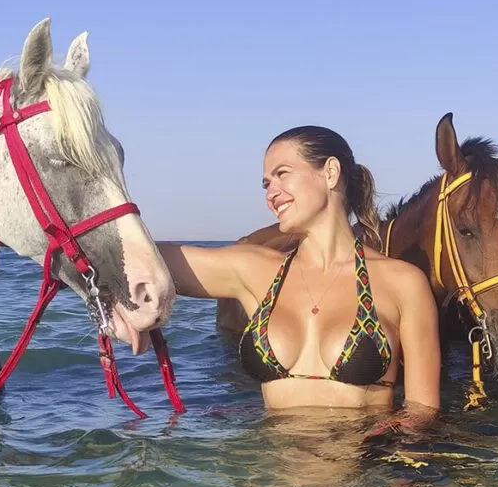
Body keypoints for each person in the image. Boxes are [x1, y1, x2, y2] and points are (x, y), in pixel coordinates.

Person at [156, 125, 441, 421]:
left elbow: (422, 416)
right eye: (266, 184)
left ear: (331, 172)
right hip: (267, 463)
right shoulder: (254, 271)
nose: (271, 193)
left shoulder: (402, 283)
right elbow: (143, 259)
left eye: (282, 174)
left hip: (363, 463)